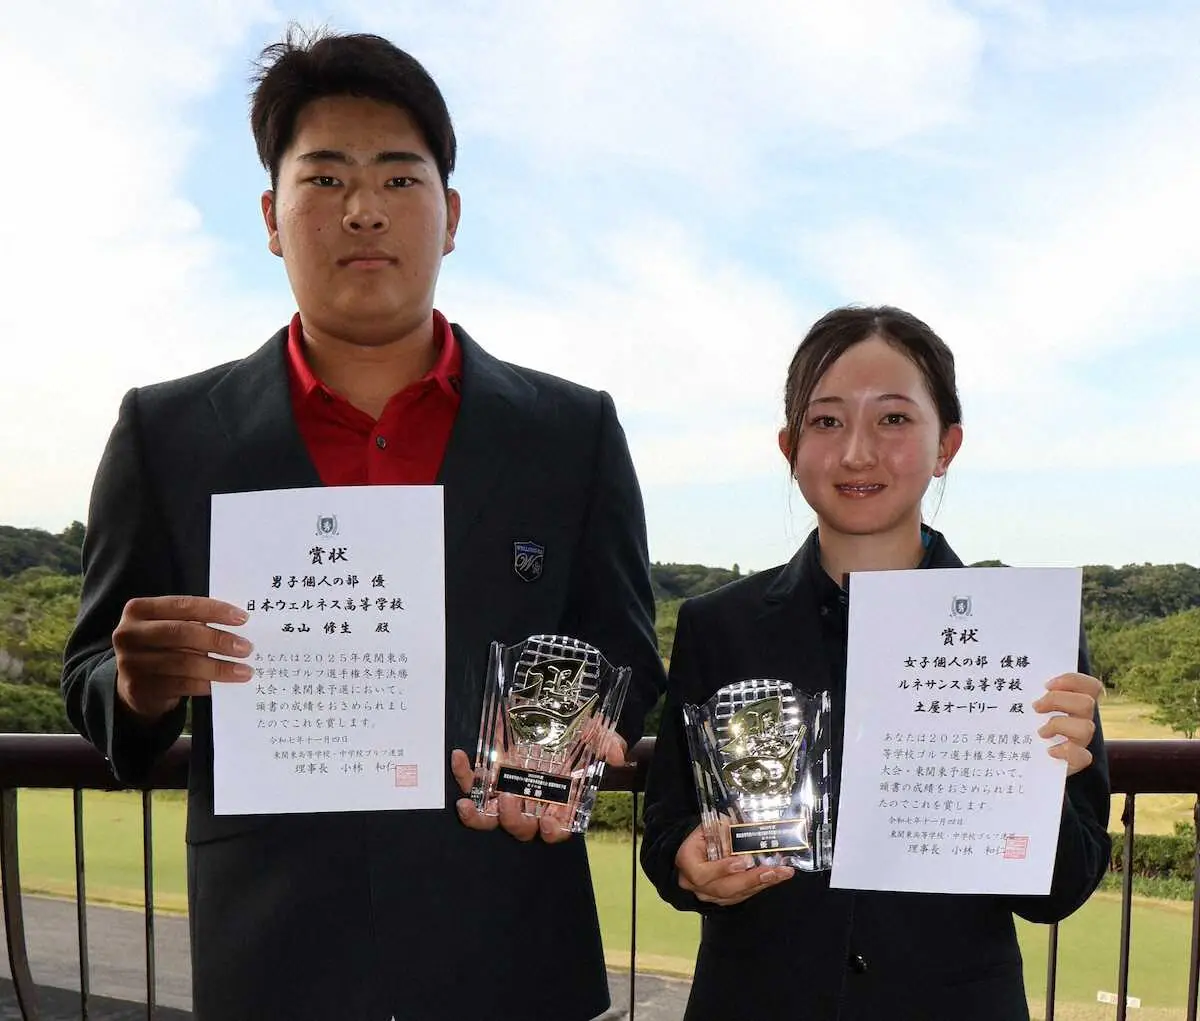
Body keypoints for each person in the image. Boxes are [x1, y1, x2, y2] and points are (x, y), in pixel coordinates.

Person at [61, 28, 665, 1021]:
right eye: (325, 177)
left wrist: (572, 739)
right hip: (274, 958)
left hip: (512, 952)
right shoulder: (164, 433)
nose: (364, 209)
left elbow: (626, 651)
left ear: (450, 215)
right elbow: (94, 677)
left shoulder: (572, 431)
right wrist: (136, 683)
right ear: (271, 216)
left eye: (398, 177)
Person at [639, 306, 1109, 1021]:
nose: (857, 452)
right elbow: (668, 823)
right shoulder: (718, 626)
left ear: (946, 445)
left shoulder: (1021, 631)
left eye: (893, 419)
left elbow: (1061, 892)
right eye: (826, 421)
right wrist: (687, 864)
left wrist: (1050, 783)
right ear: (790, 447)